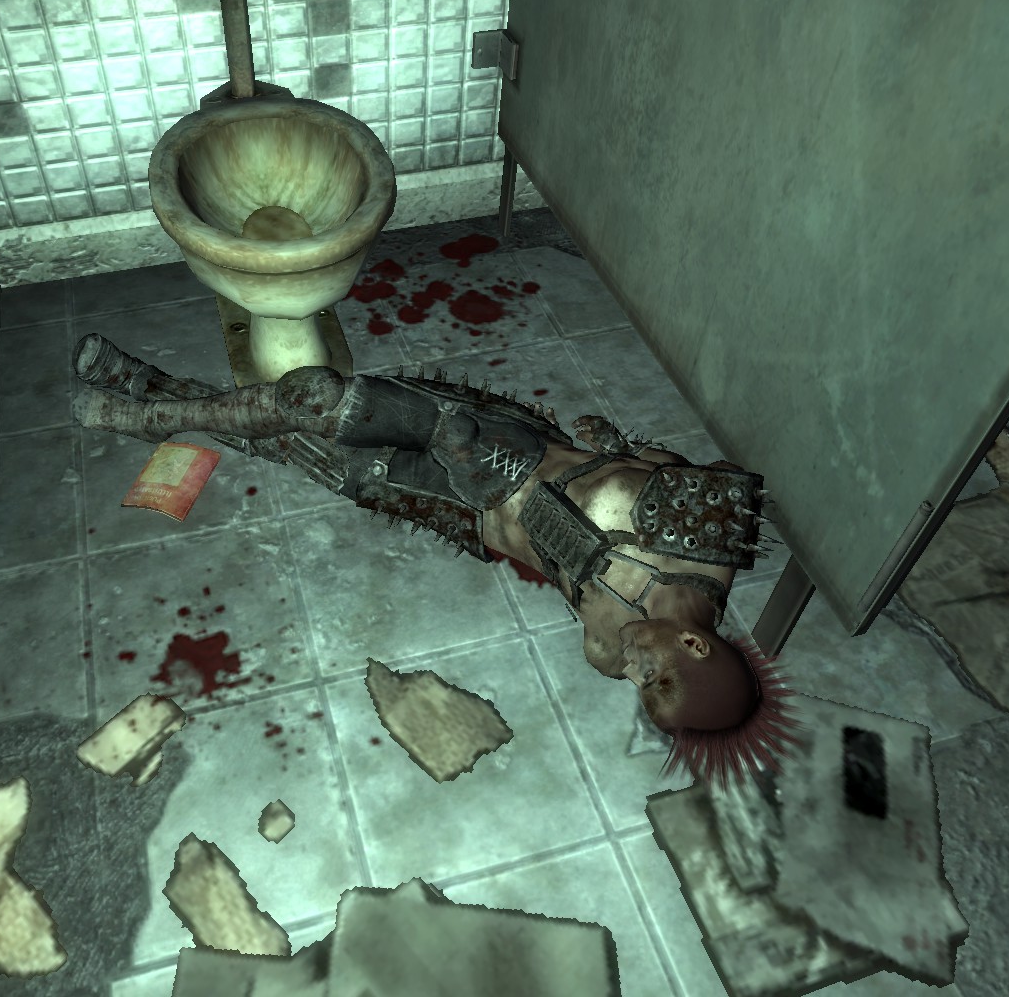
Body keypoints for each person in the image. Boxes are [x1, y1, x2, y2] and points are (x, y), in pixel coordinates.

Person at [70, 334, 803, 783]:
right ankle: (155, 415)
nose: (632, 672)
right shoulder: (705, 534)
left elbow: (567, 576)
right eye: (654, 673)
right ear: (695, 644)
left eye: (642, 689)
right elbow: (664, 463)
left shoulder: (609, 652)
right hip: (501, 442)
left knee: (295, 445)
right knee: (316, 398)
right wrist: (614, 445)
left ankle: (152, 391)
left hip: (459, 507)